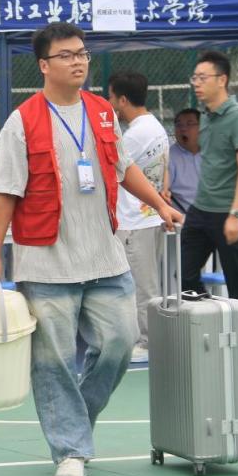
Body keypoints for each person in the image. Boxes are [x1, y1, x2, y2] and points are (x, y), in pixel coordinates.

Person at [0, 23, 181, 476]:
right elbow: (6, 194)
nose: (78, 62)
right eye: (67, 55)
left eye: (83, 53)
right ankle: (70, 450)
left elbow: (124, 168)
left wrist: (160, 204)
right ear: (44, 65)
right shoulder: (21, 122)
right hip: (45, 261)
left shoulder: (103, 112)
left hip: (105, 257)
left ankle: (74, 424)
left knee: (120, 342)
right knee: (53, 361)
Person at [181, 50, 238, 303]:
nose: (197, 84)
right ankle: (210, 317)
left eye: (203, 78)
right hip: (200, 209)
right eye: (195, 78)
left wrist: (235, 215)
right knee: (184, 274)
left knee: (236, 282)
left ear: (222, 80)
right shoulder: (205, 117)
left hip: (228, 211)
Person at [108, 71, 169, 364]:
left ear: (122, 100)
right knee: (144, 284)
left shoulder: (133, 136)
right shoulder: (155, 127)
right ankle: (141, 338)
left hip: (135, 221)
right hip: (148, 217)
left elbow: (110, 168)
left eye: (111, 97)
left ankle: (148, 342)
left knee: (142, 286)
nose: (109, 104)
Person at [162, 108, 201, 214]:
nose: (183, 129)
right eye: (179, 125)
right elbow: (163, 192)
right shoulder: (169, 157)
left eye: (189, 124)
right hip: (184, 217)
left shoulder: (212, 153)